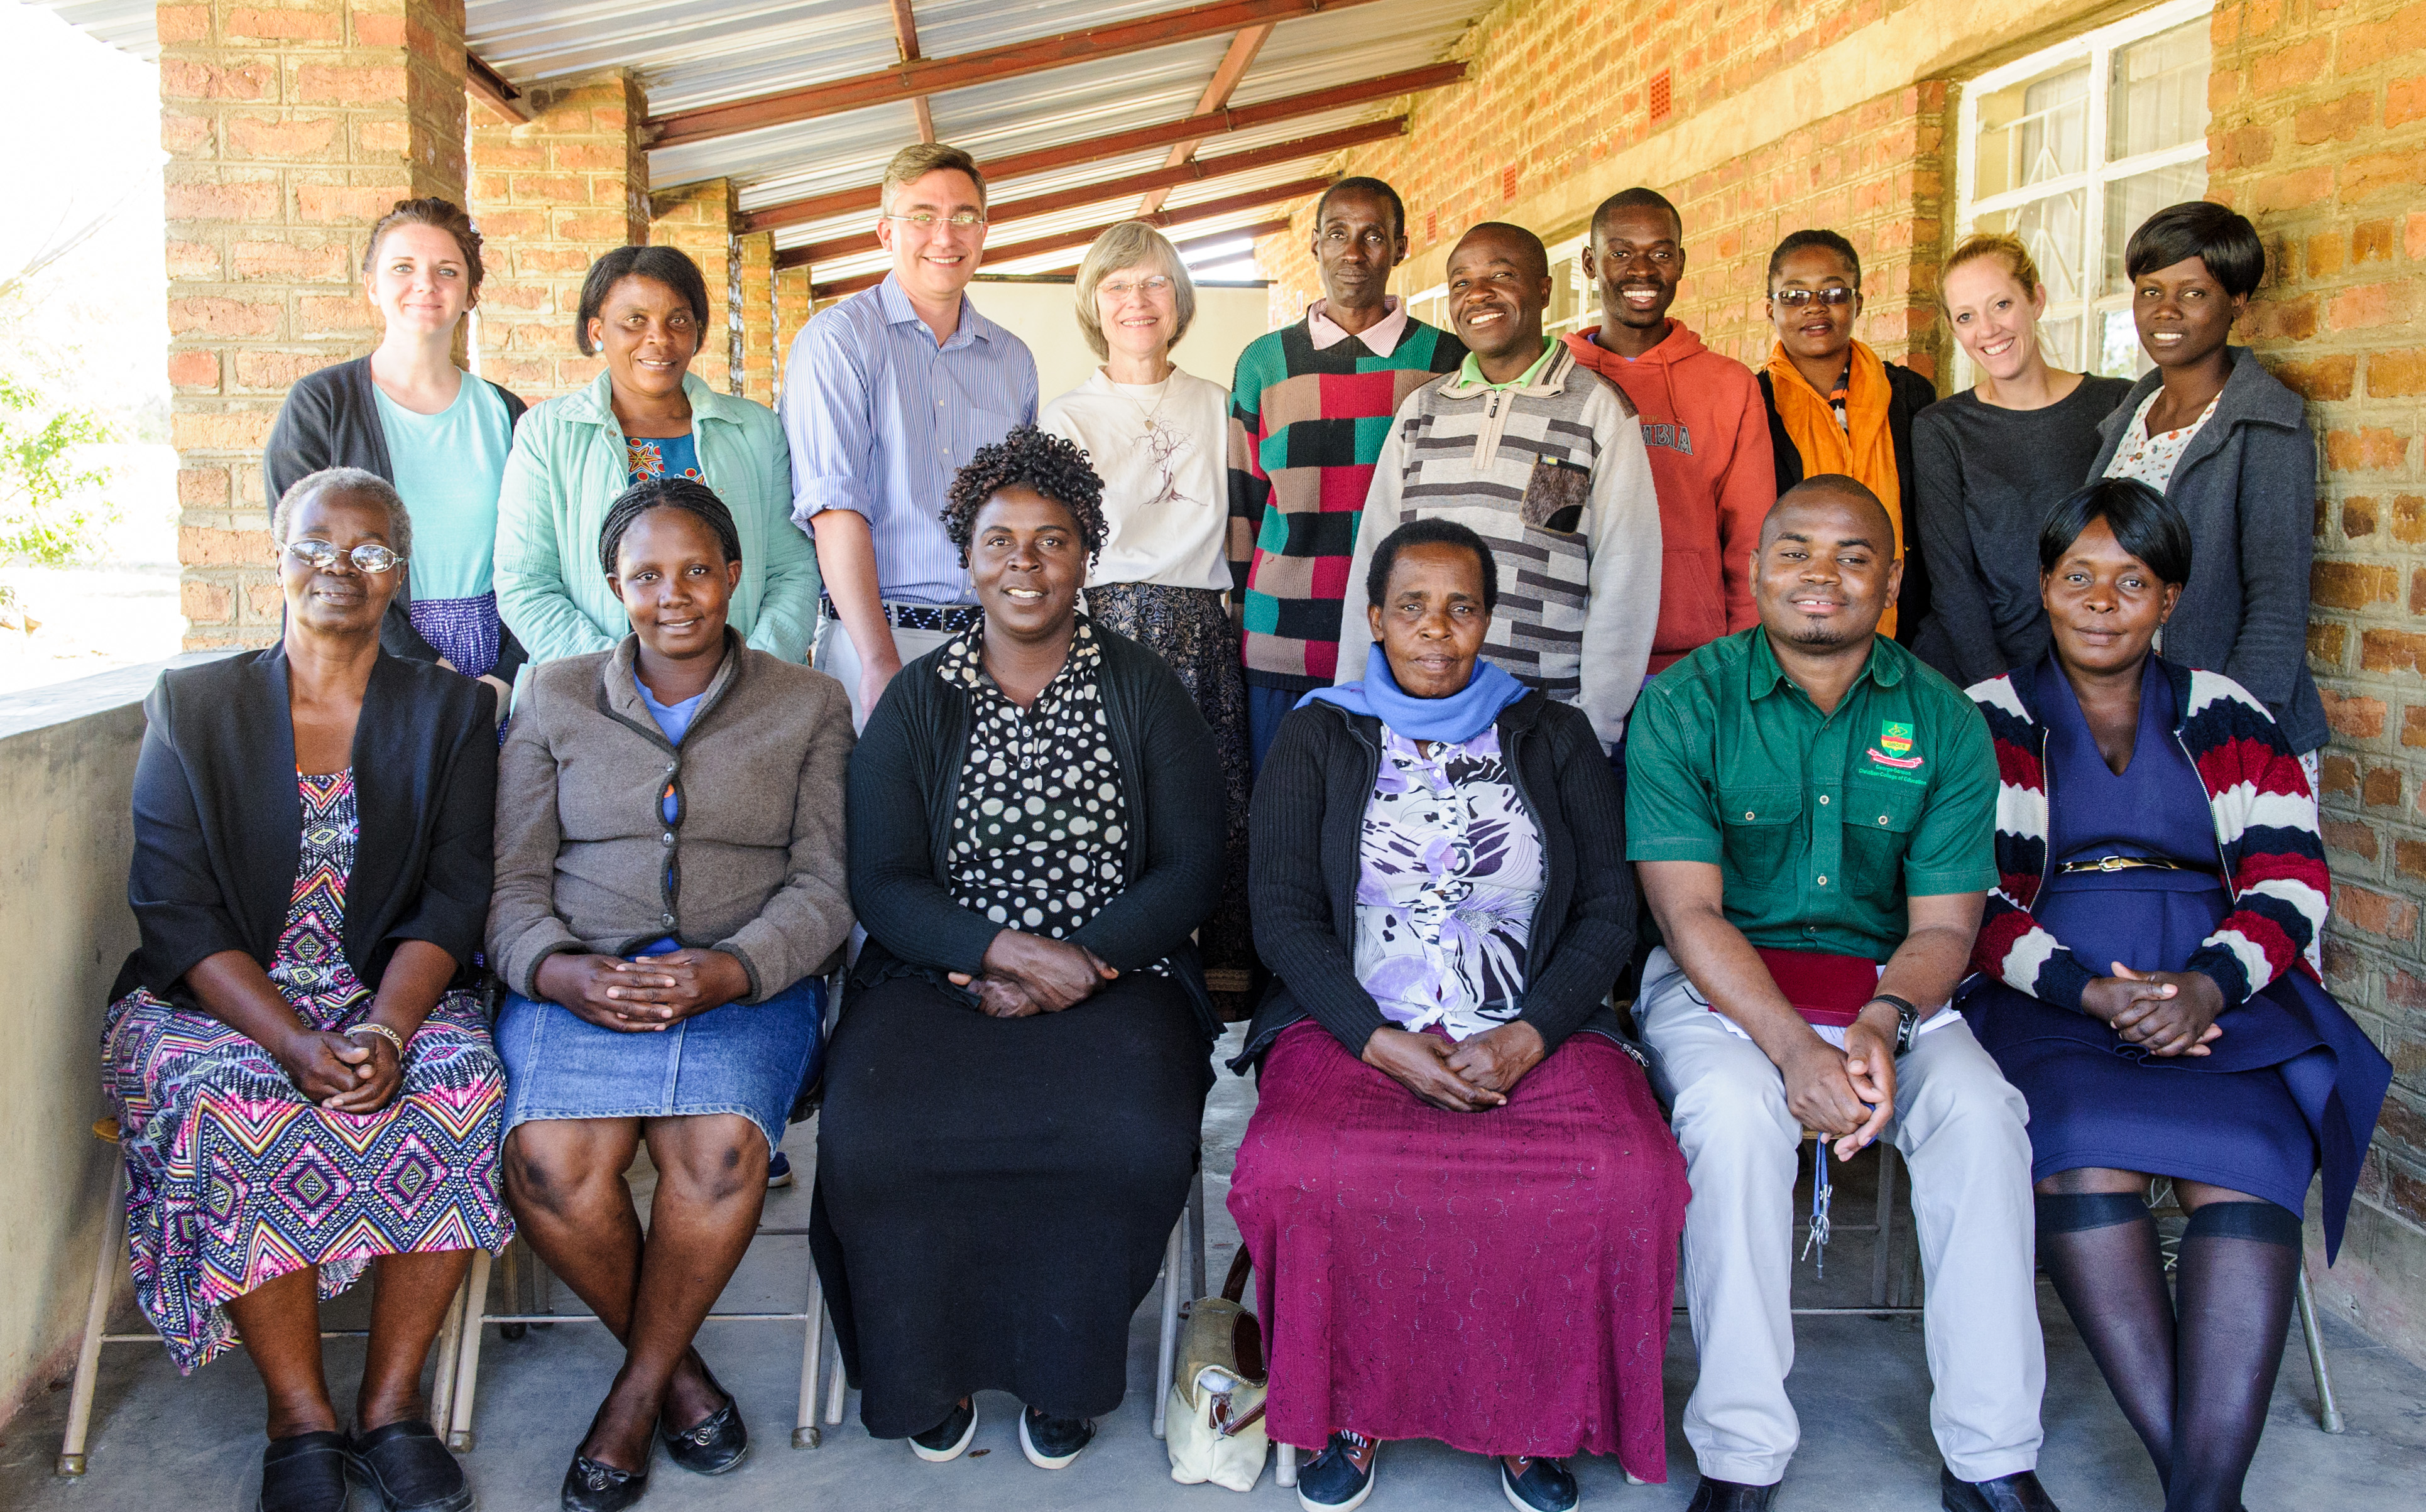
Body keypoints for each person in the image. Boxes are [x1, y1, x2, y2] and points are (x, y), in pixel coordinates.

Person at [1231, 519, 1689, 1512]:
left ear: (1489, 617)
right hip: (1357, 1015)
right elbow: (1279, 911)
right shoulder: (1319, 730)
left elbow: (1611, 907)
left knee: (1623, 1172)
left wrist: (1530, 1034)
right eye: (1411, 608)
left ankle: (1534, 1416)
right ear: (1374, 617)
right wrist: (1377, 1040)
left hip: (1532, 1016)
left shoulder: (1551, 733)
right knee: (1304, 1167)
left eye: (1461, 607)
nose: (1436, 632)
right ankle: (1349, 1403)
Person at [1626, 477, 2058, 1512]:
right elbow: (1690, 917)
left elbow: (1947, 926)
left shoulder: (1945, 720)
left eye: (1854, 555)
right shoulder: (1685, 702)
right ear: (1756, 567)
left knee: (1986, 1117)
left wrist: (1878, 1023)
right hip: (1726, 992)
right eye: (1796, 551)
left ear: (1892, 580)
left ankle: (1991, 1454)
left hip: (1887, 994)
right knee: (1734, 1120)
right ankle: (1741, 1455)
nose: (1822, 574)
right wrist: (1793, 1050)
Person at [1961, 479, 2390, 1512]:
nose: (2101, 601)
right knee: (2076, 1155)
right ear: (2044, 588)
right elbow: (1962, 899)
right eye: (2078, 578)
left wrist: (2205, 986)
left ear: (2169, 599)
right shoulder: (1982, 719)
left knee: (2247, 1165)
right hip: (2045, 994)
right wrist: (2089, 994)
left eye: (2131, 581)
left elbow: (2293, 881)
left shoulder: (2228, 713)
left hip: (2223, 989)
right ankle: (2206, 1497)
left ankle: (2202, 1497)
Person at [812, 426, 1224, 1472]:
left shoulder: (1144, 689)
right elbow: (884, 880)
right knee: (874, 1136)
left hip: (1118, 973)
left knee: (1125, 1133)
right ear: (966, 556)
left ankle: (1063, 1369)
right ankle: (922, 1366)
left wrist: (1076, 961)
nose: (1024, 566)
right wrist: (1003, 950)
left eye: (1051, 541)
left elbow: (1190, 865)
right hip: (936, 970)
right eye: (1000, 543)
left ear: (1089, 550)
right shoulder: (917, 699)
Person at [102, 467, 507, 1512]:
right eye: (314, 546)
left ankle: (390, 1406)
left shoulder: (451, 712)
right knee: (229, 1101)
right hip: (220, 997)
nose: (339, 567)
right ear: (276, 559)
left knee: (461, 1083)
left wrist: (382, 1026)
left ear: (400, 574)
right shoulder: (192, 706)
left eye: (369, 550)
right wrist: (292, 1042)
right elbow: (175, 907)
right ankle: (300, 1414)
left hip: (385, 986)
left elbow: (457, 895)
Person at [486, 477, 853, 1512]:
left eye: (698, 568)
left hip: (741, 979)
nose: (675, 593)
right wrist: (562, 971)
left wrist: (729, 968)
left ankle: (633, 1397)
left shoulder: (808, 701)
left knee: (720, 1150)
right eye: (647, 574)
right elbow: (511, 884)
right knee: (553, 1166)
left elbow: (827, 887)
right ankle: (681, 1378)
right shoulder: (551, 696)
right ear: (614, 586)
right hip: (579, 978)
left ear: (734, 575)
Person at [1334, 221, 1662, 752]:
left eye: (1501, 275)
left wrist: (1593, 726)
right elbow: (1374, 563)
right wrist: (1357, 697)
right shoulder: (1422, 411)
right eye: (1461, 283)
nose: (1478, 295)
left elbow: (1625, 579)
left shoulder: (1596, 410)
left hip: (1540, 720)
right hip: (1414, 718)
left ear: (1543, 288)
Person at [1039, 221, 1252, 1005]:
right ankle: (1116, 969)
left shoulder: (1221, 405)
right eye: (1119, 284)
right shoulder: (1067, 417)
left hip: (1205, 624)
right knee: (1116, 807)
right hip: (1108, 624)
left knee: (1215, 806)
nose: (1138, 299)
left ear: (1180, 297)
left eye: (1156, 281)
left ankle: (1220, 984)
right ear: (1096, 301)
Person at [784, 141, 1040, 727]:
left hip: (995, 646)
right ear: (884, 233)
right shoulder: (837, 342)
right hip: (877, 639)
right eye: (922, 216)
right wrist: (878, 661)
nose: (944, 237)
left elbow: (1022, 517)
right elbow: (834, 510)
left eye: (964, 217)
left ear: (984, 229)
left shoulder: (1012, 360)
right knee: (881, 820)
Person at [494, 246, 816, 697]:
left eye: (678, 320)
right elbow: (524, 580)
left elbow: (793, 569)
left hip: (741, 700)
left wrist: (752, 675)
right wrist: (617, 681)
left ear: (698, 332)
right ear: (596, 330)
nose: (659, 339)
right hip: (588, 698)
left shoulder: (755, 430)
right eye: (635, 320)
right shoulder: (547, 434)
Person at [1228, 176, 1465, 770]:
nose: (1353, 253)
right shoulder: (1265, 362)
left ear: (1401, 247)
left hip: (1405, 646)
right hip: (1282, 641)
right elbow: (1243, 507)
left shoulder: (1444, 362)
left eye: (1373, 236)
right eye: (1337, 234)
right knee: (1284, 821)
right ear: (1314, 245)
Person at [2087, 201, 2325, 773]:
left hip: (2231, 738)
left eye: (2192, 294)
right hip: (2136, 727)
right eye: (2150, 291)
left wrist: (2225, 735)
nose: (2165, 311)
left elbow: (2275, 610)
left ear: (2236, 301)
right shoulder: (2127, 415)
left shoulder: (2265, 425)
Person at [263, 197, 528, 697]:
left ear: (471, 293)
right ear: (371, 285)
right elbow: (306, 555)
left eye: (447, 271)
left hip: (495, 674)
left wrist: (505, 678)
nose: (425, 284)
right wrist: (425, 671)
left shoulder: (508, 415)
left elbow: (538, 555)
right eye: (402, 267)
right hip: (359, 654)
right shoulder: (320, 406)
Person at [1562, 187, 1775, 675]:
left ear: (1679, 262)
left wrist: (1744, 660)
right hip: (1571, 655)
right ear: (1590, 264)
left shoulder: (1728, 384)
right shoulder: (1556, 380)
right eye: (1620, 253)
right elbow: (1544, 523)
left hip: (1693, 665)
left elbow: (1750, 537)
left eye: (1659, 253)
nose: (1641, 270)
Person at [1913, 233, 2134, 687]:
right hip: (1971, 674)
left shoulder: (2116, 404)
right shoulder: (1940, 428)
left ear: (2035, 299)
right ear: (1955, 331)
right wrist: (2002, 696)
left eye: (2000, 305)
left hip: (2089, 672)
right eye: (1966, 316)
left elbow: (2139, 556)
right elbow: (1952, 582)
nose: (1987, 330)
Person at [1756, 229, 1940, 645]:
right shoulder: (1752, 403)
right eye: (1794, 295)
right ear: (1770, 309)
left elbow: (1928, 522)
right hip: (1788, 628)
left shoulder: (1908, 396)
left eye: (1833, 292)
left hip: (1902, 623)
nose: (1815, 307)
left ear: (1858, 302)